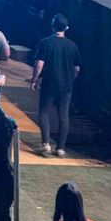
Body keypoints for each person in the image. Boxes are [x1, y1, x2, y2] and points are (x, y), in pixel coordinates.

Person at [31, 15, 81, 157]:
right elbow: (77, 68)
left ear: (52, 26)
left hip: (49, 83)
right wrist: (70, 80)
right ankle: (60, 148)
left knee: (44, 112)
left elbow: (39, 63)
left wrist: (34, 79)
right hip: (66, 86)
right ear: (66, 28)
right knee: (63, 115)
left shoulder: (45, 43)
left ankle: (46, 144)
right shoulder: (72, 45)